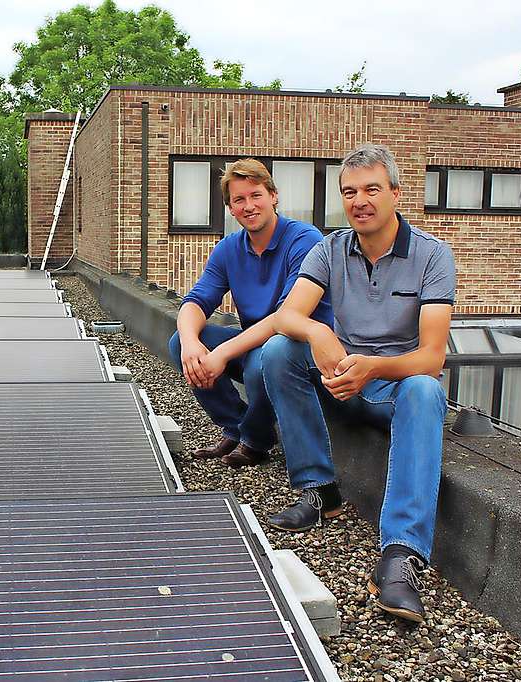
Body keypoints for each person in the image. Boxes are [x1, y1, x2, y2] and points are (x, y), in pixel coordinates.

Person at [199, 143, 455, 623]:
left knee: (426, 389)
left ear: (396, 193)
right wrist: (318, 332)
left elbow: (431, 356)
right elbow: (288, 316)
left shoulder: (432, 256)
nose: (360, 200)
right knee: (279, 350)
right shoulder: (331, 248)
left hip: (390, 387)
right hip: (339, 378)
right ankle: (319, 490)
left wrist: (372, 368)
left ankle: (400, 556)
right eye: (350, 192)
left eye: (372, 189)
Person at [169, 158, 332, 467]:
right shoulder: (230, 248)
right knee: (182, 341)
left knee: (262, 360)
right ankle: (237, 427)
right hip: (255, 343)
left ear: (273, 196)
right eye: (239, 200)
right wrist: (192, 343)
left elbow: (286, 317)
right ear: (230, 208)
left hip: (298, 350)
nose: (249, 205)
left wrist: (222, 354)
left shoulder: (304, 240)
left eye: (256, 195)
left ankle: (256, 442)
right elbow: (197, 301)